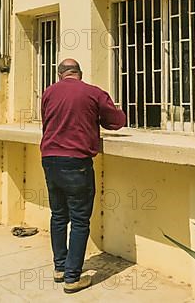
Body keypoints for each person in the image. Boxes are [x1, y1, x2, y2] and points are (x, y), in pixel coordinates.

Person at [40, 58, 126, 294]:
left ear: (60, 75)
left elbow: (48, 122)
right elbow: (116, 122)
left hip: (49, 159)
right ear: (79, 73)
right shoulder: (93, 93)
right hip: (76, 163)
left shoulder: (48, 93)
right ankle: (72, 278)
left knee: (58, 215)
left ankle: (59, 268)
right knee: (79, 221)